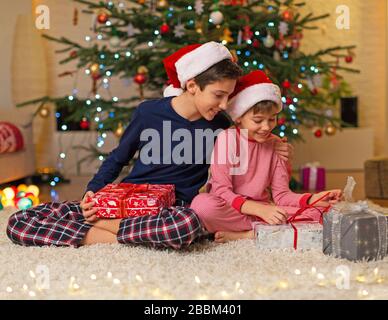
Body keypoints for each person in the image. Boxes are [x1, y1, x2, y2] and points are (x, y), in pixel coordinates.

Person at [7, 43, 292, 249]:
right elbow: (118, 159)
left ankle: (95, 233)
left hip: (174, 210)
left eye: (228, 97)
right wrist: (91, 196)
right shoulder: (149, 113)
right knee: (19, 221)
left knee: (188, 226)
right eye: (218, 95)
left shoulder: (220, 127)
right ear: (192, 86)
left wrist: (277, 144)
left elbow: (254, 136)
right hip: (127, 203)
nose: (223, 105)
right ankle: (119, 233)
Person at [190, 70, 342, 243]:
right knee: (202, 205)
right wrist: (259, 211)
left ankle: (247, 234)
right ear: (239, 117)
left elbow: (282, 196)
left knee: (323, 211)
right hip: (234, 209)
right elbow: (221, 191)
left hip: (264, 211)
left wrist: (315, 198)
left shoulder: (276, 144)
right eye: (258, 120)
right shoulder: (227, 139)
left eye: (272, 119)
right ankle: (263, 231)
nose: (266, 127)